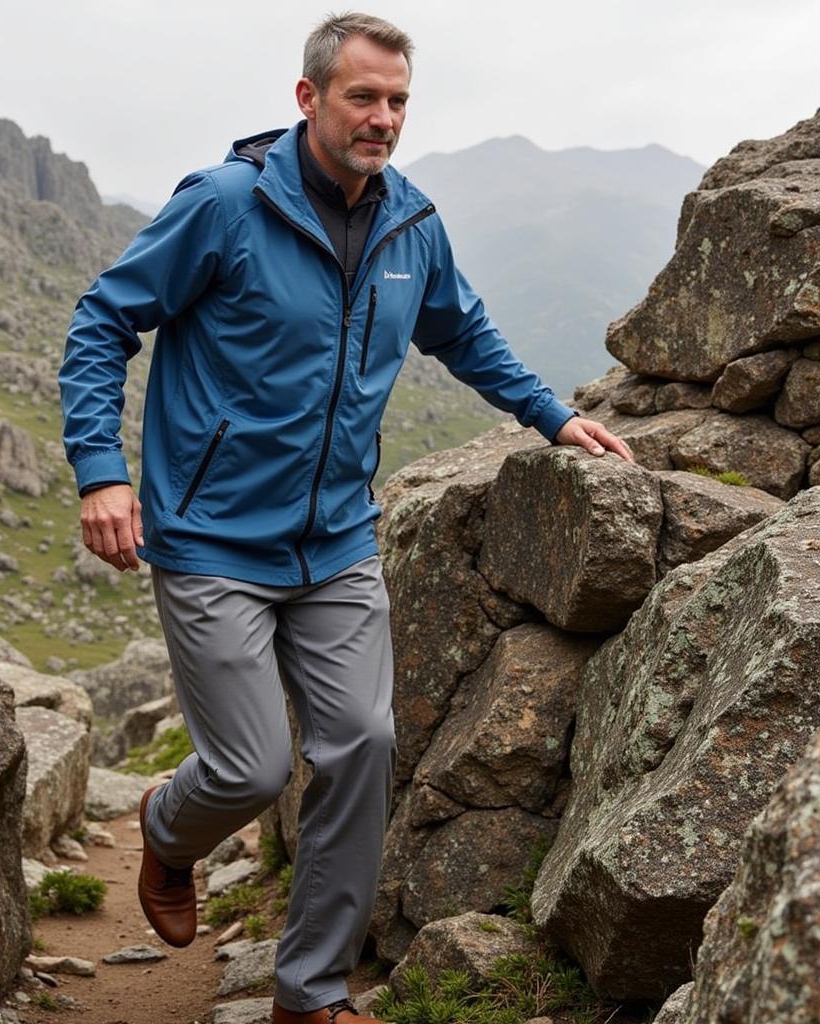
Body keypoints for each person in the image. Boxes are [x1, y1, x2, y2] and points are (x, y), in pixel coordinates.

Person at [58, 12, 633, 1023]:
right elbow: (106, 318)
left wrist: (553, 415)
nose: (382, 117)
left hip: (334, 541)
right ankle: (165, 823)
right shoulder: (225, 205)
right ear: (308, 98)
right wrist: (102, 470)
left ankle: (307, 994)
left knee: (361, 744)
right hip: (210, 540)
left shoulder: (413, 221)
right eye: (363, 96)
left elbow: (464, 331)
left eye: (398, 100)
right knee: (249, 766)